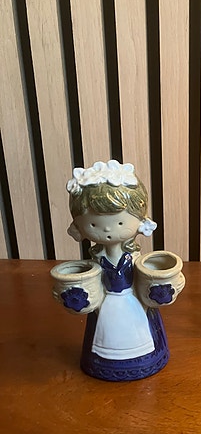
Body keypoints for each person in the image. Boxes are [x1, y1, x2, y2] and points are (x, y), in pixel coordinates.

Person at [66, 160, 168, 381]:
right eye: (93, 225)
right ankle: (105, 363)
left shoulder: (134, 258)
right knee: (105, 334)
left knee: (140, 332)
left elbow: (146, 281)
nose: (107, 230)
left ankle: (144, 359)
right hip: (106, 305)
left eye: (120, 224)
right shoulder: (97, 260)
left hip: (133, 303)